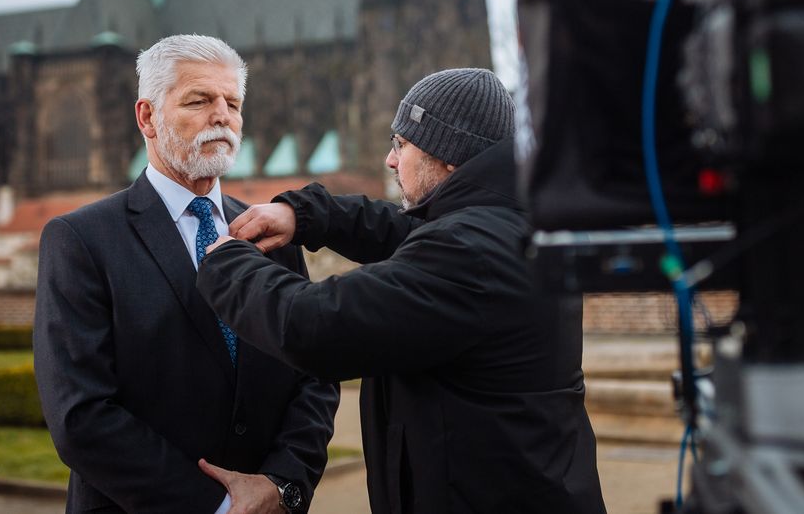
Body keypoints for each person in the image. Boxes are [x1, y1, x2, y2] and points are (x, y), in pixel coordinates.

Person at [198, 68, 606, 514]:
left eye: (401, 144)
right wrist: (307, 214)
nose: (390, 161)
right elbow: (403, 228)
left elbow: (318, 326)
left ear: (447, 155)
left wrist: (224, 262)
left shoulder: (469, 251)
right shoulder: (509, 223)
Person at [34, 35, 338, 514]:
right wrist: (217, 505)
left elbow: (314, 375)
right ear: (147, 117)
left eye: (233, 103)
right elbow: (81, 416)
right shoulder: (81, 239)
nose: (222, 115)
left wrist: (282, 485)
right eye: (199, 100)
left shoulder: (271, 234)